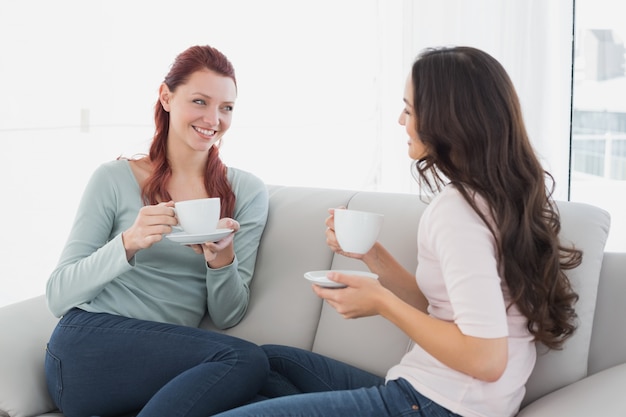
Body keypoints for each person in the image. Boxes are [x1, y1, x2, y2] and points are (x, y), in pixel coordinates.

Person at [212, 46, 583, 417]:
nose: (400, 120)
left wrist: (382, 302)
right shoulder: (500, 199)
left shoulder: (459, 211)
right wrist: (370, 254)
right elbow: (448, 311)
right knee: (272, 363)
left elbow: (487, 359)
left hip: (437, 404)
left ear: (446, 120)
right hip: (435, 396)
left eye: (409, 109)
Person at [44, 45, 270, 417]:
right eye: (200, 101)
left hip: (164, 362)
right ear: (166, 97)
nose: (213, 118)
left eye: (226, 107)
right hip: (86, 345)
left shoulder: (245, 191)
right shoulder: (114, 179)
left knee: (278, 365)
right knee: (247, 360)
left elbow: (228, 314)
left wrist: (221, 259)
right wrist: (128, 243)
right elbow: (58, 295)